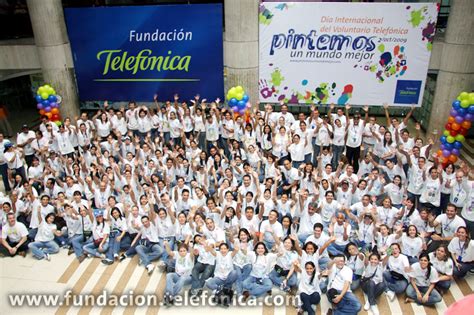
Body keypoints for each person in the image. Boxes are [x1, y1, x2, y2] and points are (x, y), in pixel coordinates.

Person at [163, 241, 194, 306]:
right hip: (177, 275)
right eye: (181, 251)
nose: (182, 252)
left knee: (182, 278)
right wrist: (167, 245)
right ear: (178, 251)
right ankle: (169, 295)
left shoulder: (189, 256)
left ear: (186, 251)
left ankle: (171, 296)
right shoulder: (177, 254)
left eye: (184, 250)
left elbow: (192, 253)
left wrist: (191, 247)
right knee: (169, 275)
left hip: (188, 277)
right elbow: (169, 252)